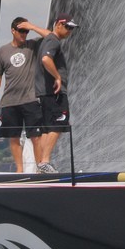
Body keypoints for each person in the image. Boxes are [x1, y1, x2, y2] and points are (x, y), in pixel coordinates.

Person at [0, 17, 44, 172]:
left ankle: (40, 167)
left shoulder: (32, 45)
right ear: (13, 31)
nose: (24, 34)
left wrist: (32, 26)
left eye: (26, 31)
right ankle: (19, 169)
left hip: (30, 99)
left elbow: (51, 36)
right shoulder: (3, 51)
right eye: (21, 31)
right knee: (13, 137)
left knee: (36, 136)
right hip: (10, 101)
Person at [35, 12, 79, 173]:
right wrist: (58, 77)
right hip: (54, 92)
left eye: (72, 29)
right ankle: (45, 162)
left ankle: (41, 165)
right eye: (67, 27)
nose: (69, 31)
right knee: (59, 124)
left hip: (44, 93)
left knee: (48, 128)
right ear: (58, 25)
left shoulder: (48, 40)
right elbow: (46, 59)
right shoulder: (53, 41)